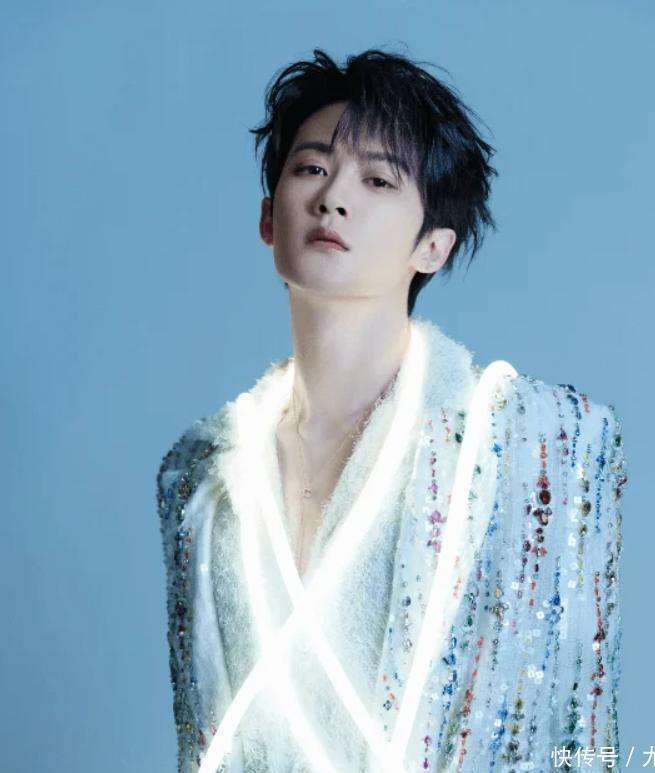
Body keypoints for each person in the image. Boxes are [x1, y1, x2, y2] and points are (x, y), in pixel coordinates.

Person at [156, 47, 630, 773]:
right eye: (311, 168)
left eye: (378, 179)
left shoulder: (532, 442)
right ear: (267, 217)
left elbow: (577, 730)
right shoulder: (200, 471)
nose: (333, 198)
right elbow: (203, 731)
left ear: (433, 245)